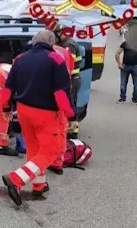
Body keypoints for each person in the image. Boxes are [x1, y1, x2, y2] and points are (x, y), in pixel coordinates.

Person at [0, 30, 73, 206]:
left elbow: (8, 87)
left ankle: (38, 185)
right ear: (52, 43)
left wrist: (6, 107)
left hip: (24, 110)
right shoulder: (55, 59)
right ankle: (16, 179)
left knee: (34, 149)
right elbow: (60, 93)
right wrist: (70, 114)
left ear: (34, 42)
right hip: (46, 113)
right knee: (51, 151)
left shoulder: (20, 59)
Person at [48, 44, 75, 175]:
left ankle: (46, 160)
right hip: (63, 94)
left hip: (50, 100)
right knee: (61, 132)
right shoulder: (65, 52)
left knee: (50, 133)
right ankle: (58, 162)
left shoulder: (47, 54)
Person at [53, 25, 82, 139]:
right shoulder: (65, 44)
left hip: (72, 79)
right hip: (71, 79)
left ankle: (73, 131)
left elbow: (66, 63)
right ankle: (69, 127)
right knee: (69, 103)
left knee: (71, 103)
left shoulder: (68, 45)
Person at [115, 40, 137, 105]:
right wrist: (119, 63)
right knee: (123, 84)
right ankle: (122, 98)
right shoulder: (125, 43)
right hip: (125, 66)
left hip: (136, 66)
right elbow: (117, 53)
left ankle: (135, 99)